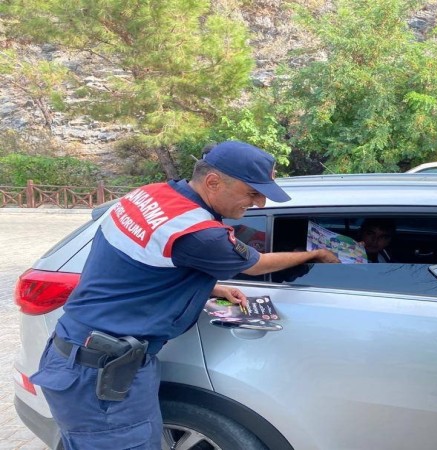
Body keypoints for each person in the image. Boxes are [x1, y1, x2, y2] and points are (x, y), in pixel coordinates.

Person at [30, 140, 340, 449]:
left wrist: (209, 286)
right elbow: (257, 265)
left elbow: (142, 264)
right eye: (252, 193)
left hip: (78, 356)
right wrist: (313, 255)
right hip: (102, 376)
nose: (259, 204)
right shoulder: (200, 234)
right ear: (213, 182)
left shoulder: (148, 194)